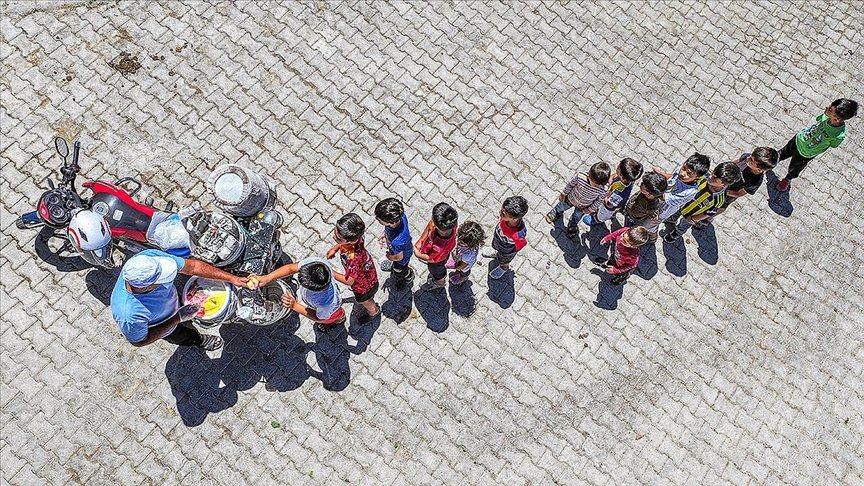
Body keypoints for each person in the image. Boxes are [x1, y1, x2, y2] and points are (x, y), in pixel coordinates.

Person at [110, 249, 247, 350]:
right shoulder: (129, 315)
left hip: (173, 301)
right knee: (184, 335)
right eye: (162, 277)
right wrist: (177, 318)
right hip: (166, 324)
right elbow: (139, 341)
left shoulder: (146, 260)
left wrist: (232, 278)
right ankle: (199, 341)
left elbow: (192, 267)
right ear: (145, 286)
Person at [775, 98, 858, 192]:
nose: (827, 107)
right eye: (831, 104)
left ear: (837, 119)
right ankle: (772, 161)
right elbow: (818, 119)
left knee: (795, 167)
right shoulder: (826, 116)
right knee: (783, 152)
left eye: (830, 109)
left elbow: (834, 145)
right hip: (799, 138)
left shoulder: (838, 135)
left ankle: (788, 178)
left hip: (806, 153)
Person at [660, 161, 743, 242]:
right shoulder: (704, 177)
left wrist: (693, 219)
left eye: (714, 179)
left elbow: (709, 213)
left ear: (724, 184)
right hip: (682, 203)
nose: (710, 177)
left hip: (691, 215)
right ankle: (672, 219)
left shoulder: (719, 199)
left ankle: (676, 233)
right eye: (713, 173)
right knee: (676, 213)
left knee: (683, 225)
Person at [255, 258, 345, 331]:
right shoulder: (316, 264)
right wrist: (267, 278)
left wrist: (294, 305)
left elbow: (319, 318)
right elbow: (291, 268)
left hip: (332, 311)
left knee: (336, 315)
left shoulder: (326, 304)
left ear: (314, 289)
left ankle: (340, 320)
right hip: (319, 306)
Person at [643, 153, 711, 242]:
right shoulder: (681, 171)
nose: (683, 173)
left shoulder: (689, 192)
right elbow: (672, 176)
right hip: (660, 197)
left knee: (651, 223)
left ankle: (652, 236)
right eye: (683, 168)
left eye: (689, 174)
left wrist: (652, 187)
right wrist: (661, 175)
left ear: (697, 178)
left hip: (665, 208)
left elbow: (666, 198)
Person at [326, 213, 380, 322]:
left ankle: (374, 311)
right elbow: (344, 243)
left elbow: (350, 281)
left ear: (352, 240)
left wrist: (330, 272)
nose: (333, 237)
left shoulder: (354, 259)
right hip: (367, 271)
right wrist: (335, 248)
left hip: (363, 286)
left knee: (364, 300)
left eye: (338, 238)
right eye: (335, 232)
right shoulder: (357, 236)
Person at [544, 162, 610, 237]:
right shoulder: (580, 177)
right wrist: (563, 194)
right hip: (571, 198)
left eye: (597, 185)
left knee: (577, 216)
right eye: (594, 183)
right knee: (562, 206)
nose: (595, 186)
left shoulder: (604, 189)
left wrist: (591, 209)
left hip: (584, 206)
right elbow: (570, 185)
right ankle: (556, 212)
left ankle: (572, 224)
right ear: (589, 175)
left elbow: (599, 200)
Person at [712, 147, 779, 218]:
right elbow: (734, 162)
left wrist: (723, 191)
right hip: (721, 183)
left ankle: (707, 218)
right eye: (751, 156)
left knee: (720, 207)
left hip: (727, 194)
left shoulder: (755, 182)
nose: (748, 158)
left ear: (759, 169)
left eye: (751, 160)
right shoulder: (746, 157)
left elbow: (738, 193)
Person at [582, 158, 644, 226]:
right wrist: (611, 178)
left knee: (603, 214)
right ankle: (613, 214)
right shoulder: (628, 179)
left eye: (618, 168)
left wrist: (603, 194)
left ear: (622, 177)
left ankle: (597, 219)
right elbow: (615, 175)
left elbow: (609, 204)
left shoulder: (620, 193)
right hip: (615, 201)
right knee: (614, 209)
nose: (617, 166)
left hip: (608, 207)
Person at [414, 202, 458, 291]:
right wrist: (421, 241)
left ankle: (439, 283)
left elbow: (432, 259)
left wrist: (417, 253)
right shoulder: (452, 223)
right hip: (441, 255)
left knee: (437, 272)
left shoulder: (439, 248)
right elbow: (430, 226)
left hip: (437, 262)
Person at [483, 196, 528, 279]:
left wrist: (508, 254)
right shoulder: (505, 218)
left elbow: (520, 245)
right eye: (502, 210)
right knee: (496, 248)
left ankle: (503, 267)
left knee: (504, 260)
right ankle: (497, 253)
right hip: (498, 241)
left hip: (506, 251)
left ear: (514, 219)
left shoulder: (518, 234)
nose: (500, 213)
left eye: (503, 213)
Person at [374, 197, 414, 290]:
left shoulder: (397, 242)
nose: (377, 219)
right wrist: (385, 234)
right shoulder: (401, 216)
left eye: (379, 219)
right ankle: (395, 267)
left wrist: (389, 256)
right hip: (399, 250)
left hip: (401, 259)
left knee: (399, 270)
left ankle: (408, 276)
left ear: (391, 222)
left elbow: (398, 257)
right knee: (396, 266)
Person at [445, 221, 485, 286]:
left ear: (471, 244)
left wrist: (455, 267)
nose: (459, 241)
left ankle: (462, 279)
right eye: (459, 237)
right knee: (458, 270)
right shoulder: (464, 240)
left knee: (463, 273)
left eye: (462, 242)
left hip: (464, 267)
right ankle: (458, 273)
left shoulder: (468, 255)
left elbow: (462, 266)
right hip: (461, 259)